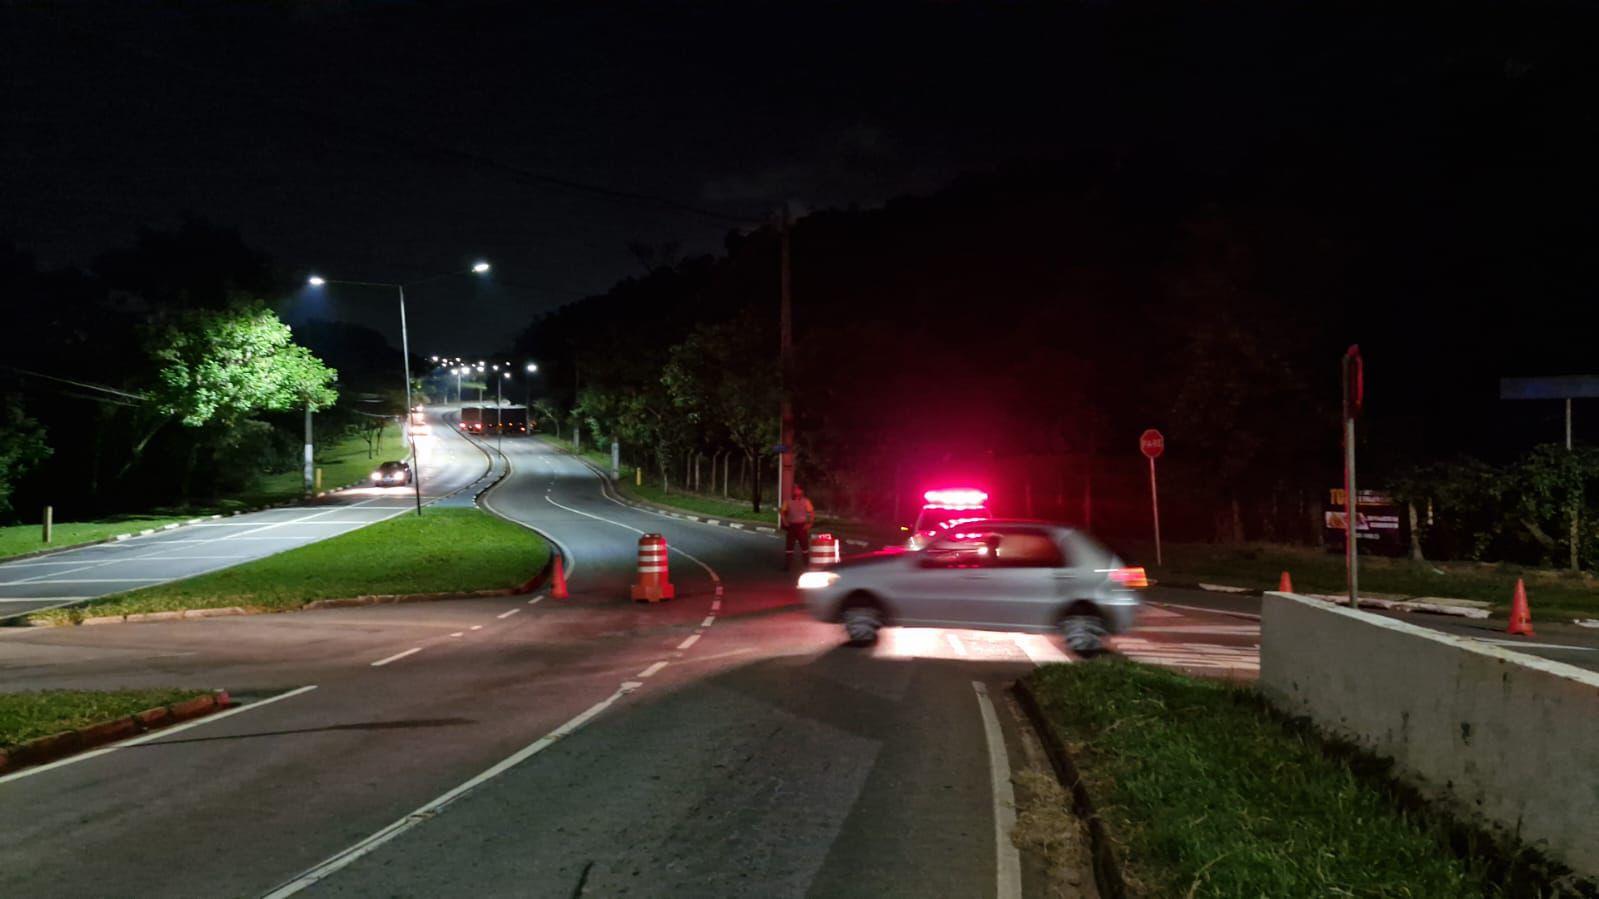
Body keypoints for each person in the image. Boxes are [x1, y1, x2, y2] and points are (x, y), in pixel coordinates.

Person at [780, 484, 816, 571]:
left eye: (797, 489)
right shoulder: (788, 501)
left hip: (801, 526)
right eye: (794, 490)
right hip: (791, 526)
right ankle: (787, 566)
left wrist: (810, 523)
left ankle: (806, 565)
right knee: (789, 547)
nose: (796, 491)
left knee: (805, 547)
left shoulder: (806, 501)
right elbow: (782, 511)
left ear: (801, 491)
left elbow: (812, 512)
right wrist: (784, 521)